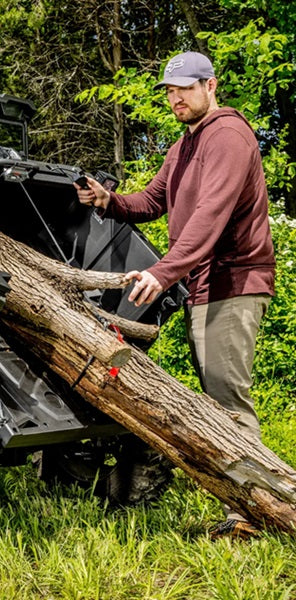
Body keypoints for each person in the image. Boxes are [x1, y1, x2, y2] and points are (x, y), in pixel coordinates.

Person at [75, 51, 275, 539]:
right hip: (205, 285)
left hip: (232, 282)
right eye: (169, 90)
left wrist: (163, 273)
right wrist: (110, 200)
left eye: (185, 88)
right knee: (216, 395)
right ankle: (246, 500)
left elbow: (211, 215)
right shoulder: (186, 143)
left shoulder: (227, 135)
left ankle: (254, 512)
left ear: (211, 85)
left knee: (227, 399)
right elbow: (153, 200)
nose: (175, 98)